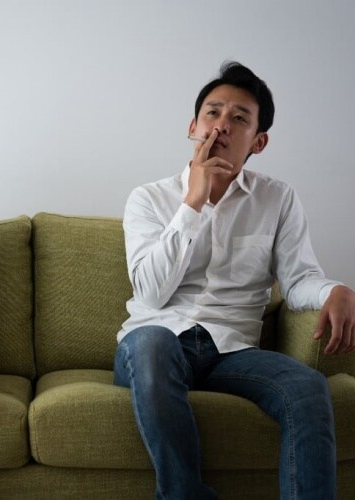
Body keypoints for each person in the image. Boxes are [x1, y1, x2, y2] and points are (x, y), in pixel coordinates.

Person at [113, 61, 355, 499]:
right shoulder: (148, 198)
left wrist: (334, 290)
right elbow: (150, 292)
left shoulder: (277, 199)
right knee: (153, 343)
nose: (222, 125)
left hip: (232, 351)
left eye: (239, 117)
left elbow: (299, 278)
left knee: (308, 387)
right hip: (156, 345)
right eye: (213, 112)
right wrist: (192, 202)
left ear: (259, 141)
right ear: (193, 125)